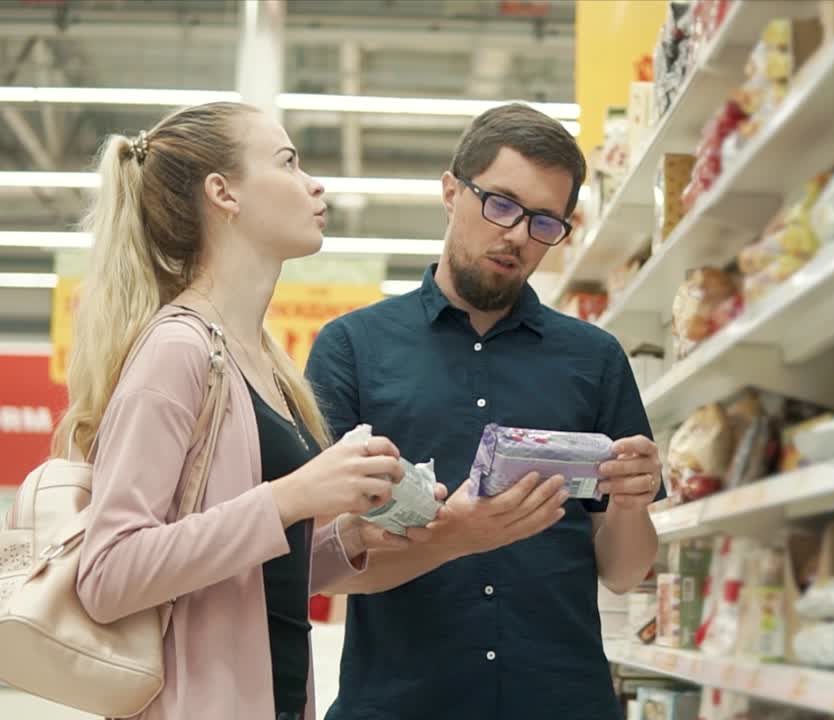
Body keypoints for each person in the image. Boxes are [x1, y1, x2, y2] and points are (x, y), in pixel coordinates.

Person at [56, 101, 443, 720]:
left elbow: (243, 579)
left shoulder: (260, 362)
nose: (314, 184)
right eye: (288, 163)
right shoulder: (175, 350)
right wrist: (294, 496)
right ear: (223, 193)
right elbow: (108, 575)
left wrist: (350, 537)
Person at [307, 103, 665, 720]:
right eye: (501, 204)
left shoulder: (595, 358)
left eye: (545, 222)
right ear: (451, 191)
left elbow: (624, 572)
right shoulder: (352, 349)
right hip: (401, 703)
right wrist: (455, 535)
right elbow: (325, 564)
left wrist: (632, 505)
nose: (518, 236)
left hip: (562, 702)